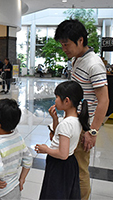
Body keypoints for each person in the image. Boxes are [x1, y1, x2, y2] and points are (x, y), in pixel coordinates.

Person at [54, 19, 109, 199]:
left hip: (84, 126)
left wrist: (92, 131)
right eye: (61, 45)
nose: (64, 49)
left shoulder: (94, 64)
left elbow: (104, 100)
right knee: (71, 168)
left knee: (80, 171)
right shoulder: (78, 59)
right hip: (74, 122)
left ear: (80, 40)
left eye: (66, 44)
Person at [35, 81, 90, 199]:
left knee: (54, 194)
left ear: (67, 101)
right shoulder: (76, 119)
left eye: (57, 97)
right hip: (70, 164)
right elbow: (58, 135)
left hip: (60, 165)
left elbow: (63, 154)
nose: (55, 100)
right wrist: (55, 119)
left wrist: (46, 149)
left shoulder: (66, 124)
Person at [0, 98, 32, 200]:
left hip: (0, 192)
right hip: (14, 188)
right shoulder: (18, 137)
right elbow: (28, 159)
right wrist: (22, 179)